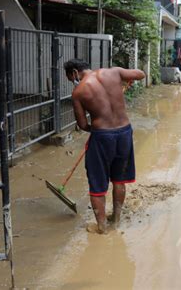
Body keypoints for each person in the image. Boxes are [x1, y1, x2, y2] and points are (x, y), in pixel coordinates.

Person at [64, 59, 145, 234]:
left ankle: (101, 227)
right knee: (119, 179)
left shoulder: (78, 91)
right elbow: (140, 74)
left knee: (97, 182)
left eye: (71, 78)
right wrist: (125, 79)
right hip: (124, 132)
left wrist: (98, 130)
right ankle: (116, 219)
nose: (72, 81)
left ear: (74, 73)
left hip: (102, 137)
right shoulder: (113, 72)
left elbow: (83, 124)